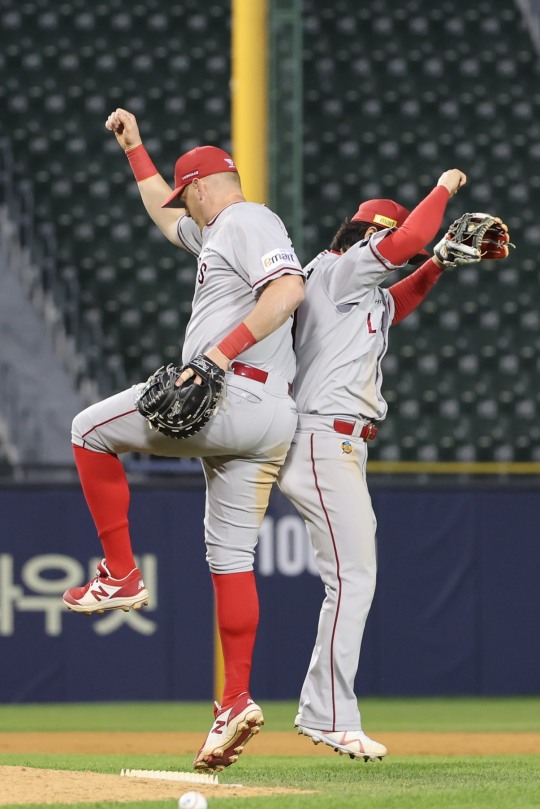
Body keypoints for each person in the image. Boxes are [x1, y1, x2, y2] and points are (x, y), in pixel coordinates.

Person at [62, 108, 305, 772]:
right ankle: (234, 702)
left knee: (88, 430)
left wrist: (215, 358)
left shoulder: (247, 219)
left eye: (183, 193)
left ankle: (120, 574)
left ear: (200, 185)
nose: (181, 208)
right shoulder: (217, 235)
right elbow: (161, 215)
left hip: (235, 392)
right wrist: (137, 151)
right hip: (266, 417)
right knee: (229, 557)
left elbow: (288, 288)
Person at [278, 170, 467, 761]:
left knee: (351, 577)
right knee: (352, 579)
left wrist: (435, 266)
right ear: (364, 234)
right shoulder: (339, 267)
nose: (389, 249)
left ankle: (323, 709)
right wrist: (443, 189)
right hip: (322, 437)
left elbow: (395, 302)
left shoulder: (348, 286)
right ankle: (328, 713)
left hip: (333, 441)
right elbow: (406, 242)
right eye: (383, 237)